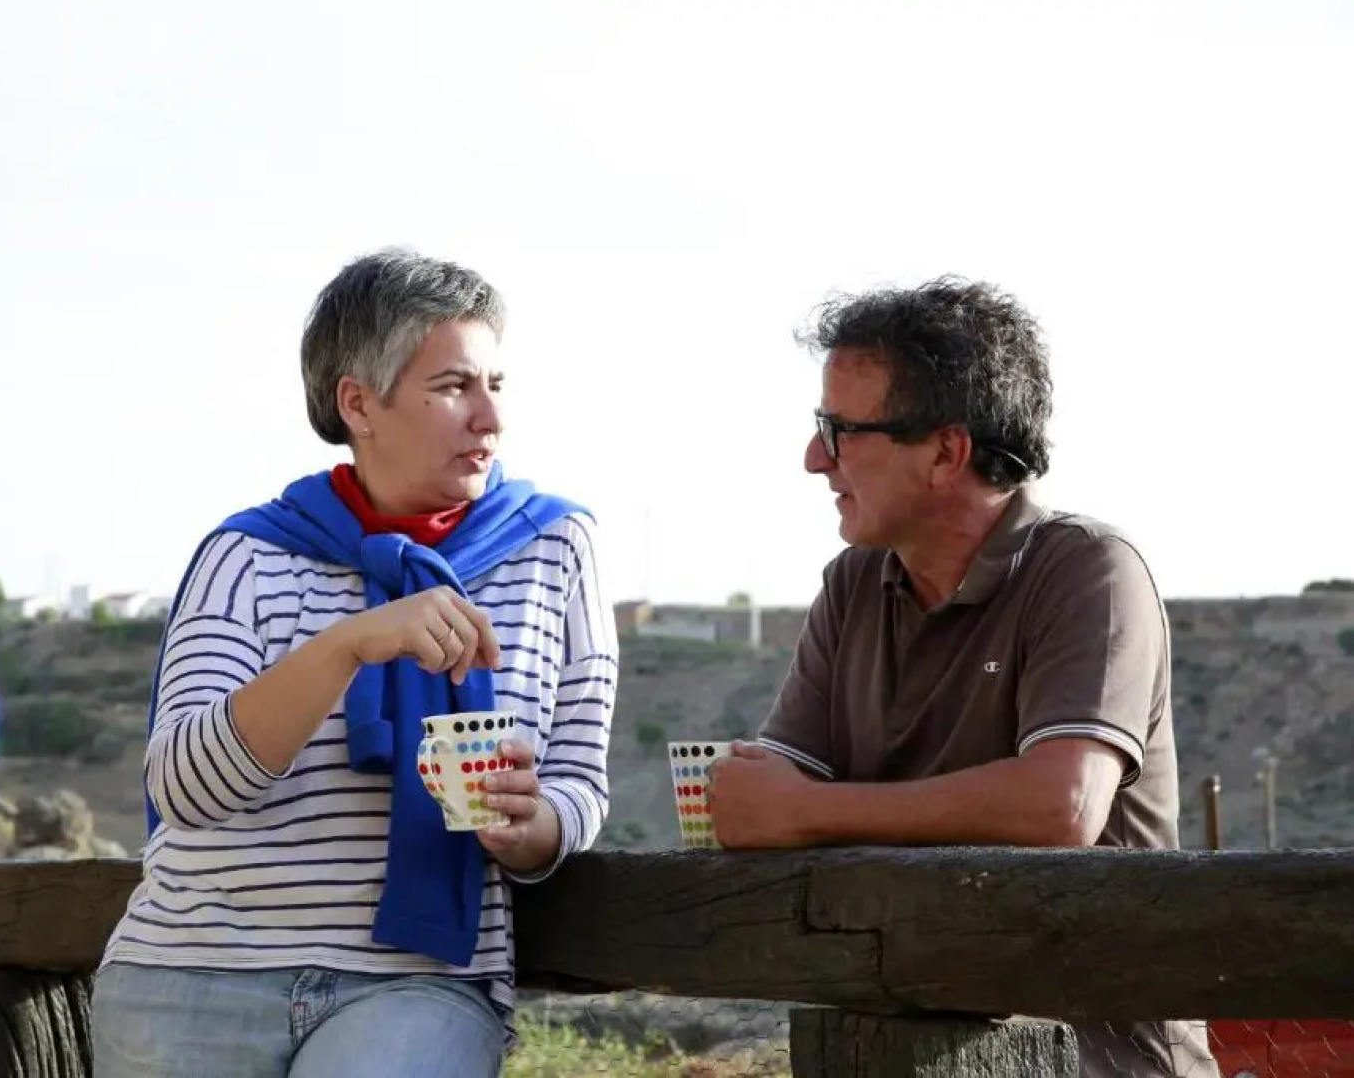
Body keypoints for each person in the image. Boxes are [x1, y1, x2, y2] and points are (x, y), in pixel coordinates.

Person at [90, 248, 618, 1078]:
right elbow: (185, 789)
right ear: (358, 403)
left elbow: (580, 779)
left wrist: (533, 829)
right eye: (453, 388)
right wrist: (347, 646)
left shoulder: (553, 547)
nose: (490, 418)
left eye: (496, 386)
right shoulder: (248, 554)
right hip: (191, 971)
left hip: (421, 984)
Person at [708, 277, 1218, 1078]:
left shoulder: (1088, 569)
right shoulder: (851, 584)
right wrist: (766, 801)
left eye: (838, 431)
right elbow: (761, 798)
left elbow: (1060, 806)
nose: (814, 459)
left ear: (946, 451)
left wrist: (804, 811)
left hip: (1095, 1061)